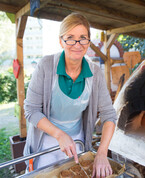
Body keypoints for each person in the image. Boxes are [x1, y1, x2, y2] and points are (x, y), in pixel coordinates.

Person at [23, 13, 117, 178]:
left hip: (77, 140)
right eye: (70, 38)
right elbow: (31, 110)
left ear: (89, 42)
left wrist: (102, 153)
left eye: (83, 37)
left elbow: (109, 115)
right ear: (61, 41)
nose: (77, 44)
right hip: (46, 141)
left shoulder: (95, 73)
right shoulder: (45, 66)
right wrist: (60, 134)